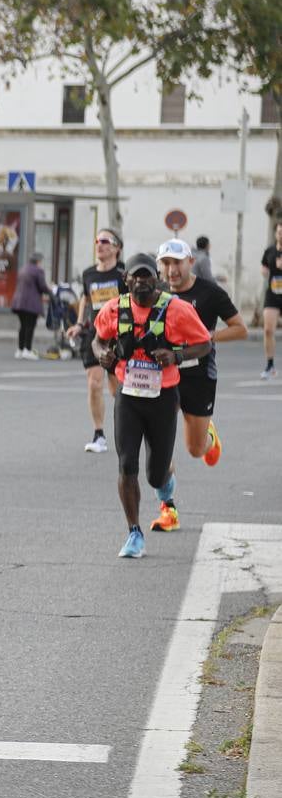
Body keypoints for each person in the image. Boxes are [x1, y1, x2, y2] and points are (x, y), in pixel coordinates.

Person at [92, 252, 211, 558]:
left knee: (154, 473)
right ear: (126, 280)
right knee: (126, 463)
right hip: (128, 397)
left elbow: (204, 343)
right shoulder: (114, 309)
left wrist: (178, 357)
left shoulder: (176, 309)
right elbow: (97, 339)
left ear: (156, 278)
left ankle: (165, 486)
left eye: (147, 276)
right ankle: (134, 533)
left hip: (163, 397)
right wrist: (102, 355)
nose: (142, 282)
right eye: (136, 277)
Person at [154, 239, 246, 506]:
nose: (172, 270)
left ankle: (209, 436)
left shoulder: (210, 293)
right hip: (162, 375)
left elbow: (240, 328)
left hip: (198, 376)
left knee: (195, 450)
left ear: (190, 262)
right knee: (159, 444)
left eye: (177, 263)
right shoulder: (156, 292)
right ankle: (166, 505)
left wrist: (210, 335)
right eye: (166, 264)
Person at [67, 228, 127, 453]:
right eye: (97, 241)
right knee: (94, 383)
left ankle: (128, 427)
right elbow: (85, 298)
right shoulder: (88, 274)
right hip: (94, 334)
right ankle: (99, 434)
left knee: (116, 388)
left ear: (116, 248)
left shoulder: (124, 274)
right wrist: (79, 324)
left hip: (118, 335)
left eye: (105, 241)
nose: (99, 245)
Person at [11, 254, 49, 360]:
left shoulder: (23, 269)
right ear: (38, 261)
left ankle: (20, 350)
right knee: (30, 327)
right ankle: (27, 350)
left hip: (19, 303)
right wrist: (51, 292)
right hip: (31, 304)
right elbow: (42, 286)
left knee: (23, 326)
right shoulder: (38, 271)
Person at [262, 219, 282, 379]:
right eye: (279, 232)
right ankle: (270, 366)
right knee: (268, 330)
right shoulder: (270, 250)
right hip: (273, 294)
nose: (280, 235)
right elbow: (264, 265)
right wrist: (265, 271)